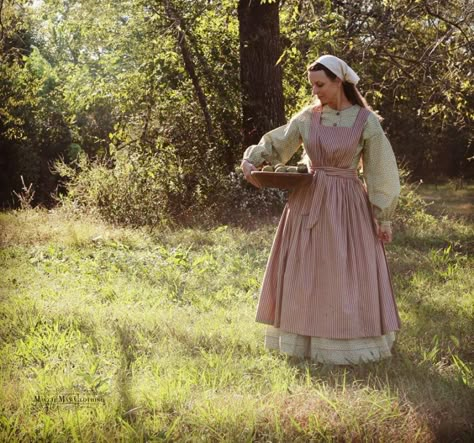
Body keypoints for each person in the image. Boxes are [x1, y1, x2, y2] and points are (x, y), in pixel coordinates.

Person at [240, 55, 401, 365]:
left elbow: (381, 171)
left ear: (339, 82)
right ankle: (303, 341)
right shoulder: (307, 117)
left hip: (348, 204)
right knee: (306, 267)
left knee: (345, 268)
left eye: (321, 85)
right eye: (312, 85)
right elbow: (278, 145)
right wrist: (252, 159)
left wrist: (383, 215)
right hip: (309, 200)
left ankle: (349, 342)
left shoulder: (364, 121)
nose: (315, 91)